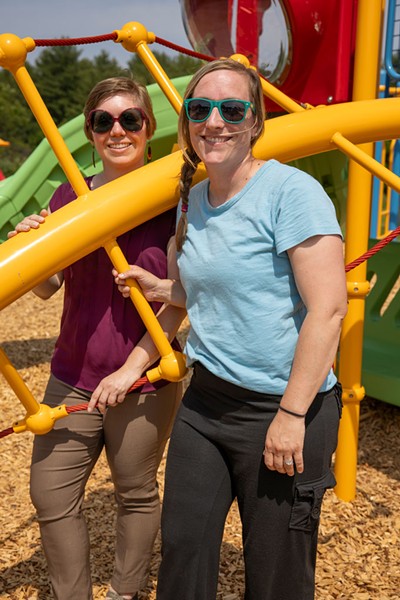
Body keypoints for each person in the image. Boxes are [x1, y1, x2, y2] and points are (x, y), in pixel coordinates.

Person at [115, 58, 348, 600]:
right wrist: (161, 288)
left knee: (276, 574)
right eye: (200, 109)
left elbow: (328, 310)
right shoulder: (192, 201)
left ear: (255, 121)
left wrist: (291, 415)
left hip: (286, 405)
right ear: (188, 122)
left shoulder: (291, 193)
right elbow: (205, 291)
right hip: (207, 403)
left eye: (232, 109)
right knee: (184, 551)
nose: (214, 121)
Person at [8, 77, 186, 600]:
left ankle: (124, 592)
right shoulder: (70, 193)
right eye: (103, 120)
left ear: (149, 128)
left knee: (134, 491)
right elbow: (46, 288)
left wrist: (132, 368)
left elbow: (182, 298)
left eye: (130, 119)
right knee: (51, 493)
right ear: (89, 131)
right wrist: (32, 243)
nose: (117, 130)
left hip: (145, 376)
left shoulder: (174, 197)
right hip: (73, 375)